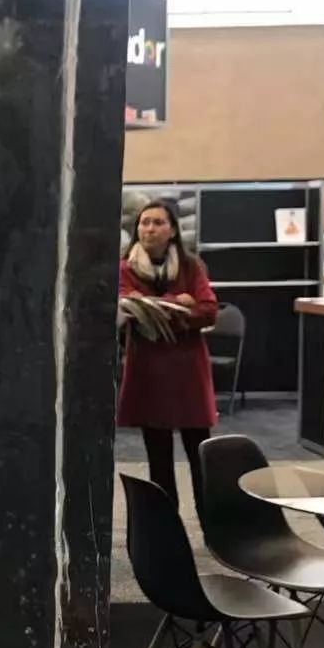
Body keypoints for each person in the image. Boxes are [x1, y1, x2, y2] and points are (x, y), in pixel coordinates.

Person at [117, 201, 219, 522]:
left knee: (200, 455)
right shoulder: (125, 269)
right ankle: (166, 530)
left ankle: (212, 526)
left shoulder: (191, 266)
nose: (150, 228)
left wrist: (152, 308)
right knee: (158, 460)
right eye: (144, 222)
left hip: (188, 372)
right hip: (149, 373)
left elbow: (209, 310)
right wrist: (180, 304)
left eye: (158, 222)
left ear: (172, 230)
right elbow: (126, 306)